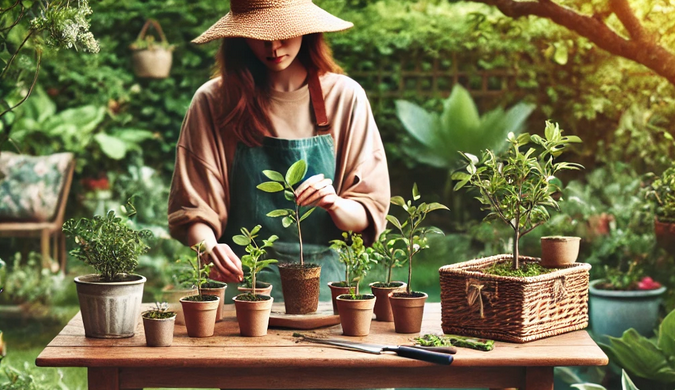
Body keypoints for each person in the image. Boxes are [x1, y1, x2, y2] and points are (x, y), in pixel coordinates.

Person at [168, 0, 390, 302]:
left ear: (305, 29)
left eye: (284, 31)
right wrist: (210, 249)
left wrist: (334, 203)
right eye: (259, 34)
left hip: (327, 301)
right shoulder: (213, 102)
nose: (273, 46)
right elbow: (195, 209)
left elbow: (367, 212)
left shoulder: (346, 98)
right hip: (240, 299)